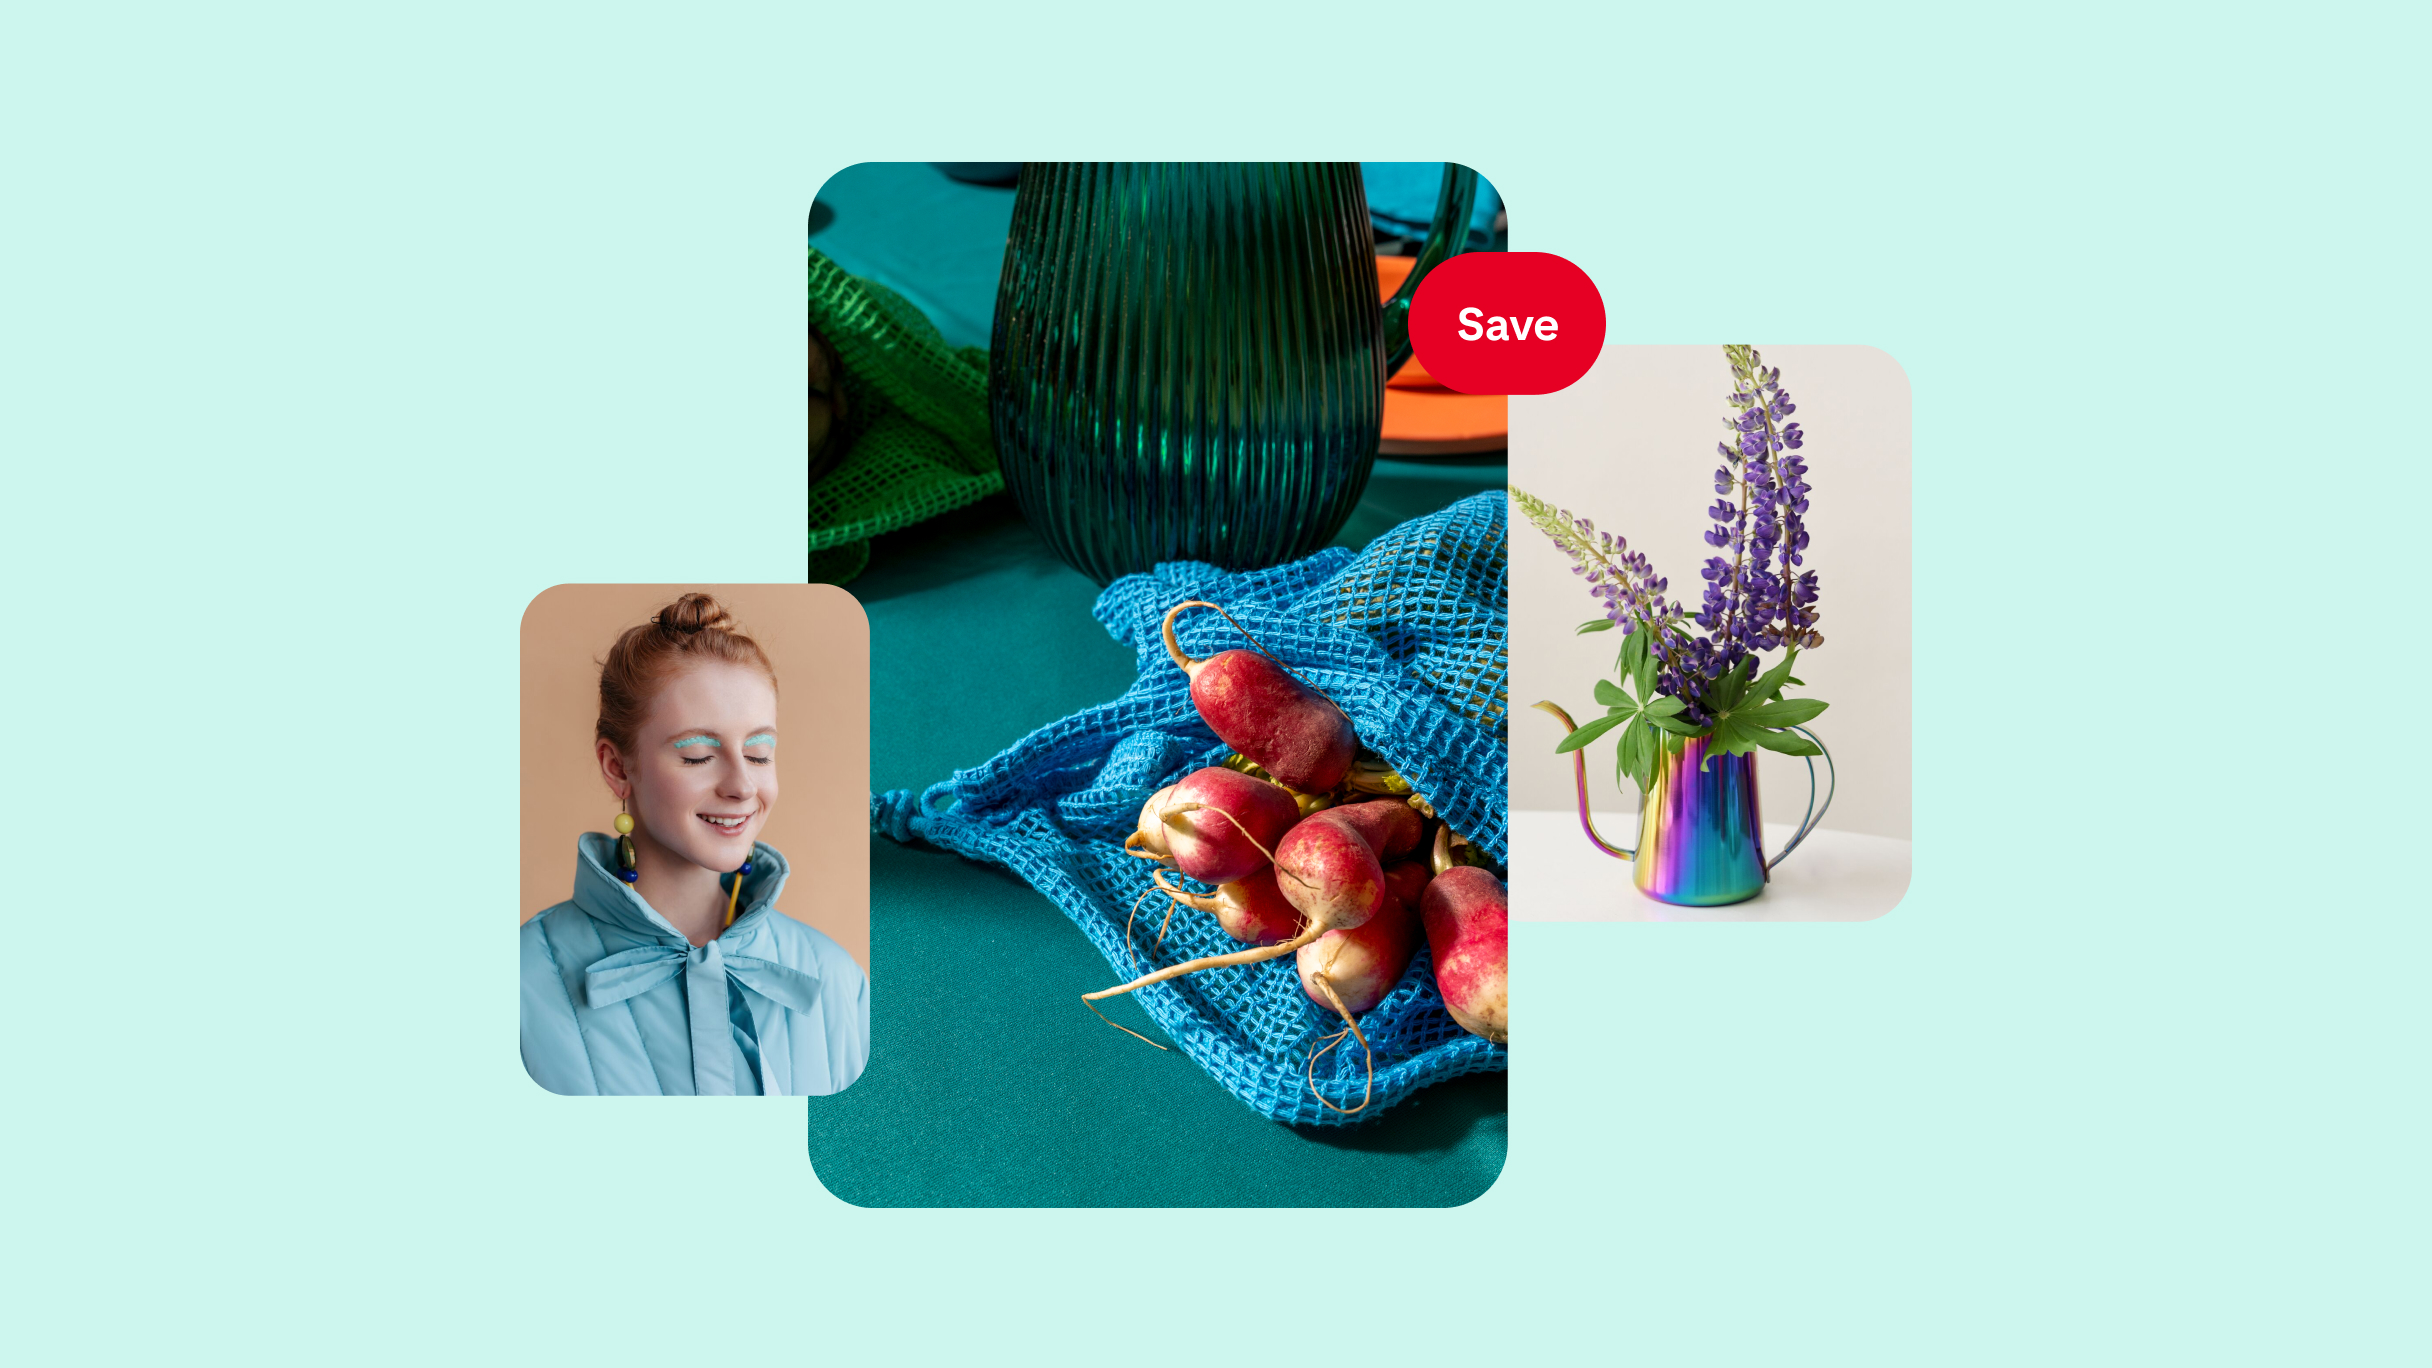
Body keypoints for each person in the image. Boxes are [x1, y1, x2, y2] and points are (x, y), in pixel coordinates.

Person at [521, 593, 869, 1095]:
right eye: (699, 755)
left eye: (758, 753)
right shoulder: (519, 984)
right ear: (618, 767)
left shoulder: (837, 981)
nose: (742, 786)